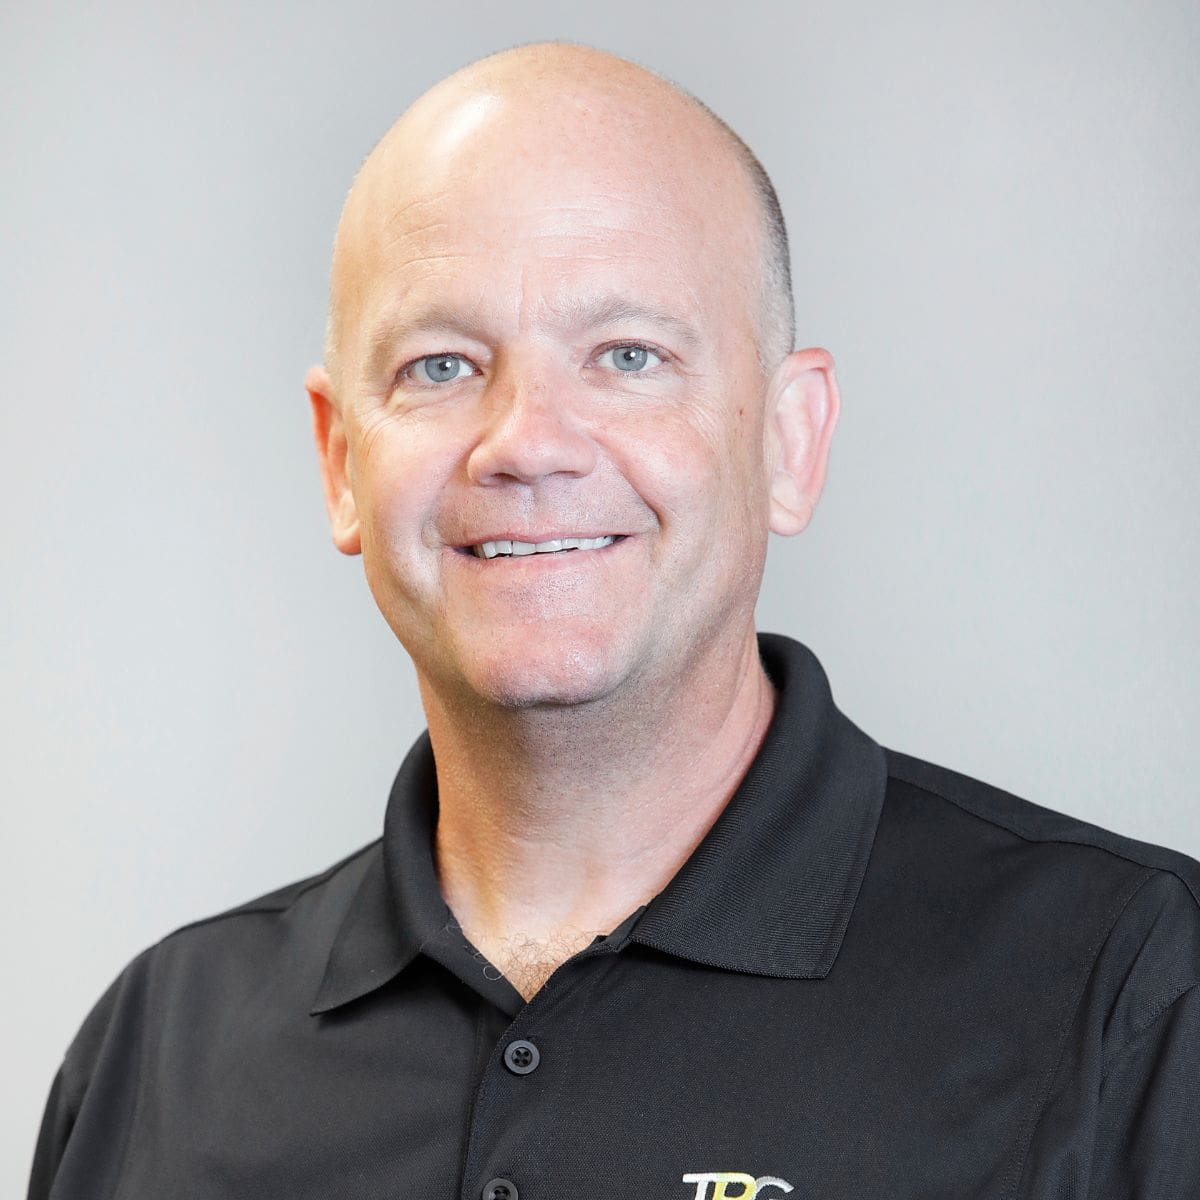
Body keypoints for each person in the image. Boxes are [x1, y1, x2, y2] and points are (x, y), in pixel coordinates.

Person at [30, 42, 1199, 1200]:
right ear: (341, 460)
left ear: (789, 442)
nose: (526, 442)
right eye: (441, 366)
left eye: (628, 355)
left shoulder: (1130, 993)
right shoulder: (159, 1052)